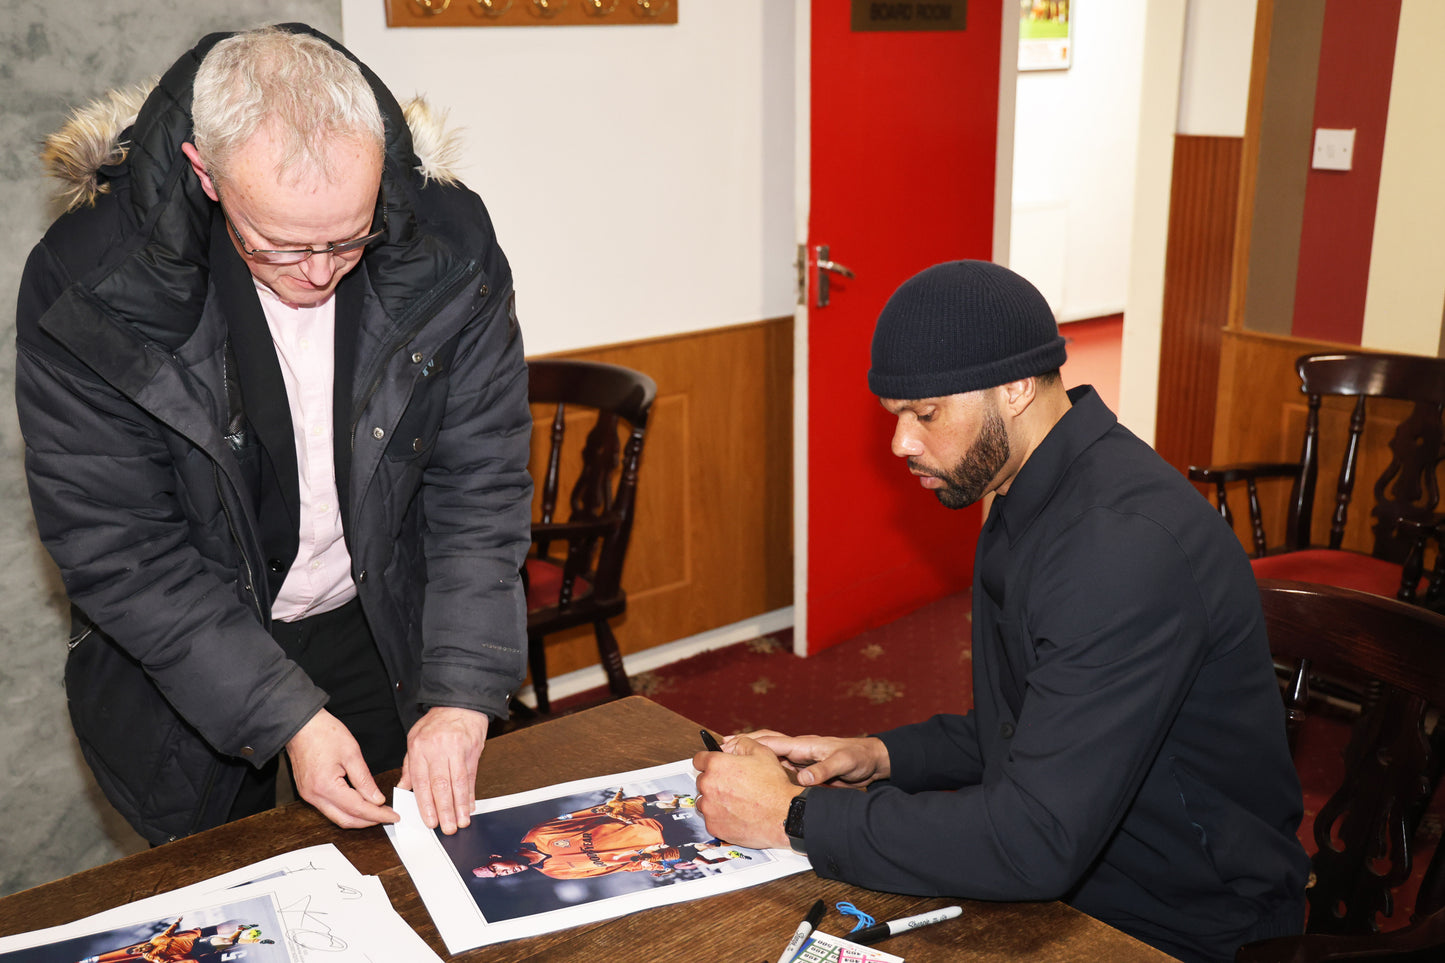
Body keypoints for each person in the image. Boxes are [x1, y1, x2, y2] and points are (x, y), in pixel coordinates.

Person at [692, 261, 1309, 963]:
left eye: (924, 414)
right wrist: (879, 755)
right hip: (1080, 873)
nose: (901, 443)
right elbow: (1023, 724)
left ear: (1014, 388)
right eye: (895, 415)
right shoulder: (1024, 488)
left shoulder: (1120, 545)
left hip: (1178, 922)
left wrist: (791, 815)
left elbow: (1032, 840)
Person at [15, 24, 531, 845]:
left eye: (349, 237)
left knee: (414, 866)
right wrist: (287, 715)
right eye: (283, 244)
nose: (322, 271)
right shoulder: (87, 284)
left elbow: (480, 481)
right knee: (227, 894)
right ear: (203, 171)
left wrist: (463, 690)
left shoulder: (446, 242)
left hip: (380, 615)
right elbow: (122, 548)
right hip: (192, 648)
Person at [471, 790, 726, 880]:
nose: (503, 873)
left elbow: (593, 813)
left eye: (495, 868)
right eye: (497, 876)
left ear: (496, 857)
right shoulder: (555, 873)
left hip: (664, 824)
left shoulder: (539, 834)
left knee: (723, 807)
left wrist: (648, 800)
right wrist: (667, 862)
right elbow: (616, 868)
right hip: (676, 848)